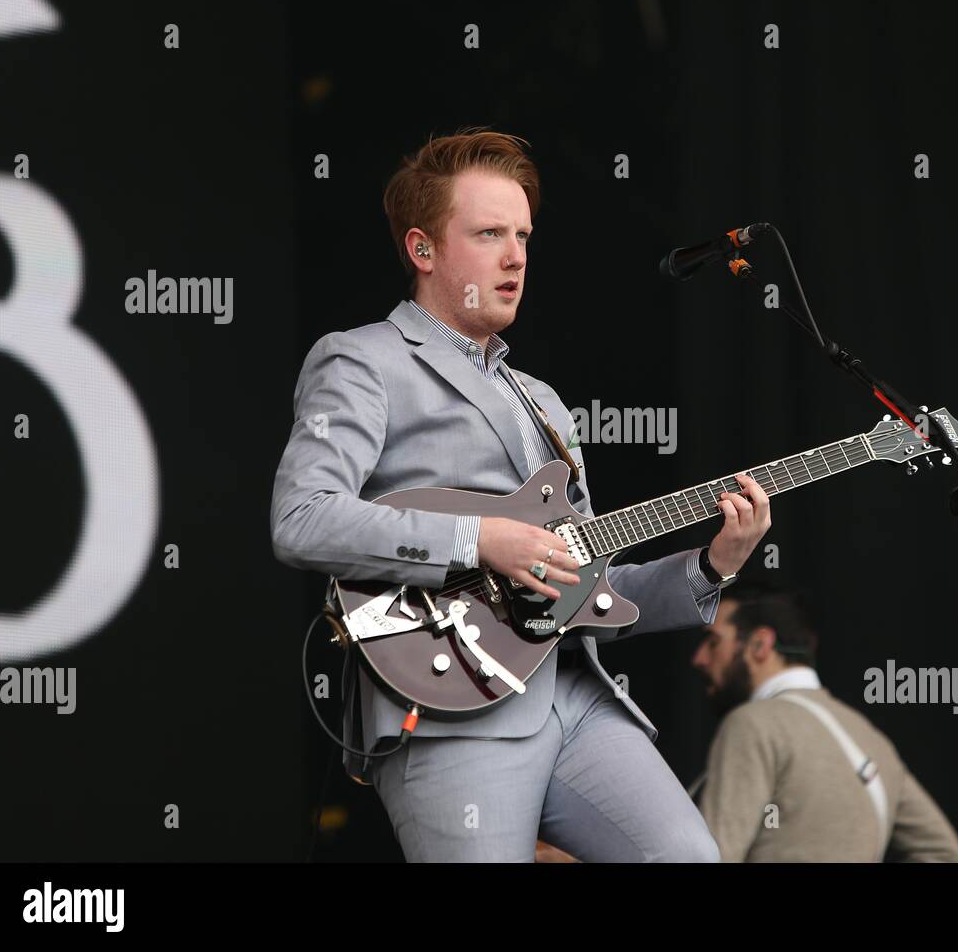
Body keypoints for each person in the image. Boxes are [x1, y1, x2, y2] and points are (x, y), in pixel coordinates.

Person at [270, 128, 770, 861]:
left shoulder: (543, 403)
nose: (516, 256)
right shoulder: (362, 360)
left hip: (576, 699)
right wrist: (479, 539)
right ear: (423, 250)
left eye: (524, 235)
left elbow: (585, 585)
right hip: (450, 703)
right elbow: (301, 519)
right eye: (489, 234)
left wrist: (713, 566)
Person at [689, 582, 958, 862]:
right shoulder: (869, 738)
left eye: (713, 641)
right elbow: (944, 854)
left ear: (760, 643)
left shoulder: (751, 724)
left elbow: (712, 857)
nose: (698, 658)